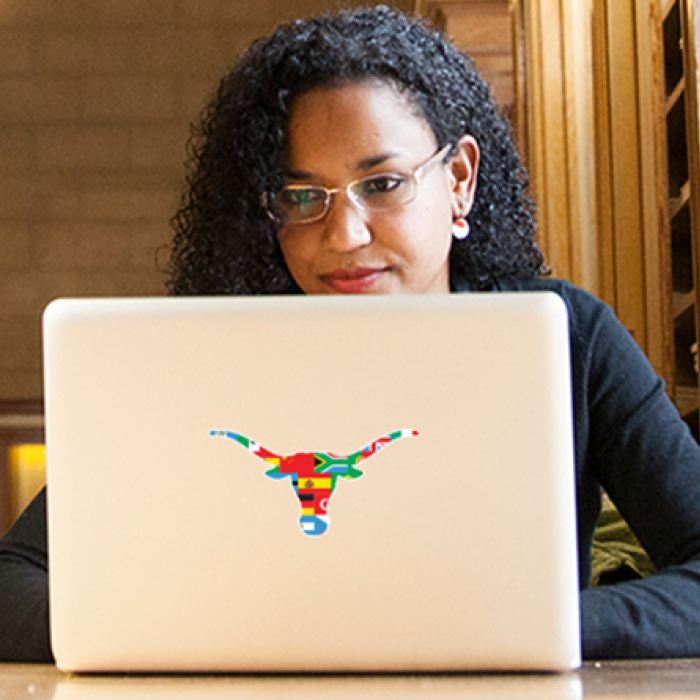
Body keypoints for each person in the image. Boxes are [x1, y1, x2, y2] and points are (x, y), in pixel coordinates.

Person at [2, 4, 700, 662]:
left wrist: (535, 626)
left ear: (458, 180)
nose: (345, 234)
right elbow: (12, 581)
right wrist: (172, 631)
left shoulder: (569, 338)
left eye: (384, 184)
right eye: (301, 197)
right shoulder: (202, 363)